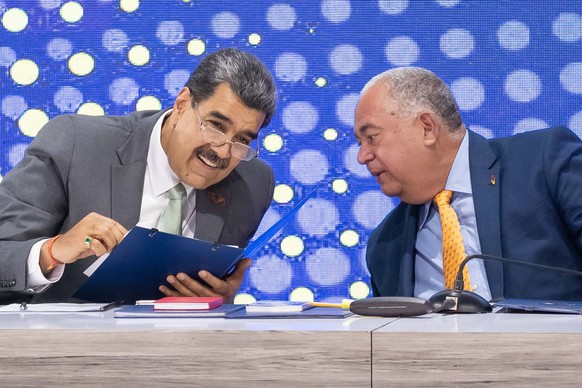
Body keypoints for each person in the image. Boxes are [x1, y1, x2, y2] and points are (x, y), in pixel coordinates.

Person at [0, 48, 276, 304]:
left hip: (182, 351)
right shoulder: (74, 144)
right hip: (66, 349)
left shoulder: (253, 184)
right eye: (215, 125)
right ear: (182, 104)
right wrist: (52, 251)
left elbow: (213, 293)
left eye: (242, 140)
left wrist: (219, 298)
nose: (223, 151)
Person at [354, 67, 582, 301]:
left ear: (427, 128)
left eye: (371, 137)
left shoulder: (543, 161)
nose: (362, 157)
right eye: (359, 143)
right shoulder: (383, 247)